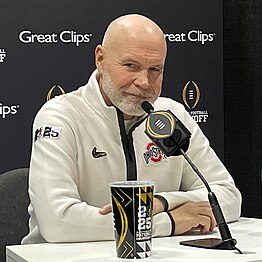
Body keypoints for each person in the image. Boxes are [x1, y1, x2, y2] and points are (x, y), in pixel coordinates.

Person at [22, 14, 241, 244]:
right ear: (100, 59)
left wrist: (160, 202)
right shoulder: (60, 116)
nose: (144, 82)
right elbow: (59, 223)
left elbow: (228, 196)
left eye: (155, 69)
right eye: (130, 65)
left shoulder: (171, 114)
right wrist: (169, 221)